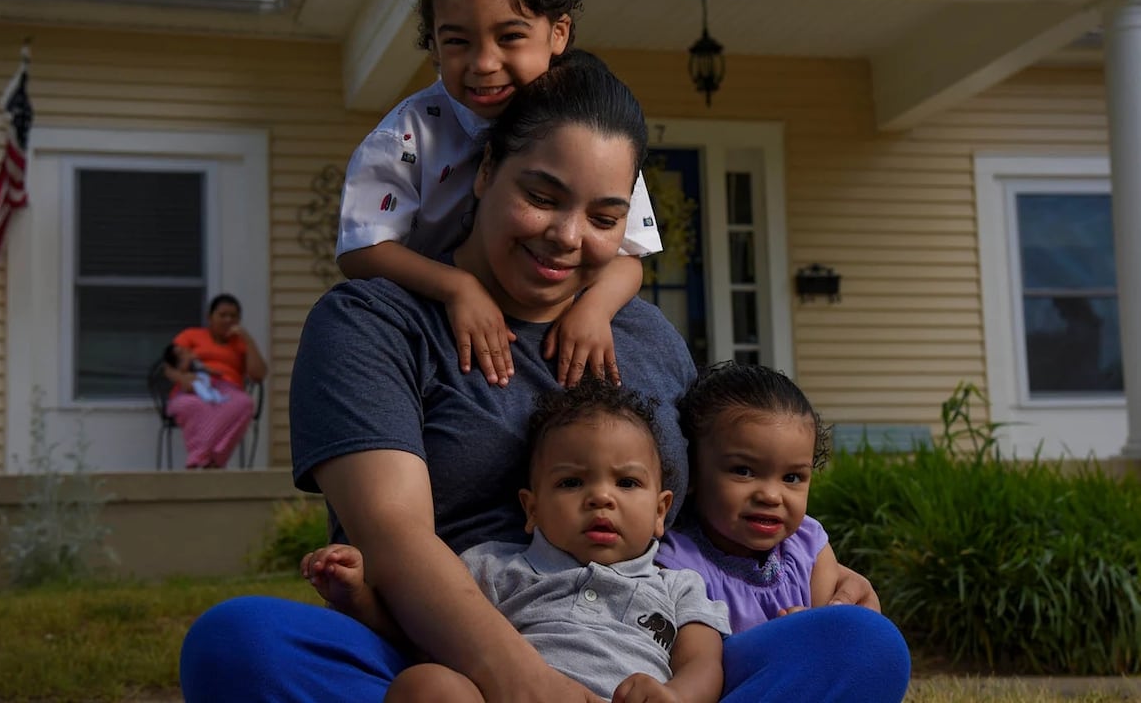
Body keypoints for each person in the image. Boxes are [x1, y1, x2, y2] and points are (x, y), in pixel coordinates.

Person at [179, 51, 910, 702]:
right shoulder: (374, 323)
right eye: (543, 196)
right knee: (241, 642)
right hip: (442, 664)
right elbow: (396, 541)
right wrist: (531, 686)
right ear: (487, 171)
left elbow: (691, 518)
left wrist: (821, 573)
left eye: (602, 216)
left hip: (641, 670)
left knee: (859, 646)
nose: (568, 237)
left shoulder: (648, 337)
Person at [335, 0, 662, 390]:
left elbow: (629, 254)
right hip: (435, 335)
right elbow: (362, 248)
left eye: (509, 37)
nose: (484, 64)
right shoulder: (409, 135)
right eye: (457, 42)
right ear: (433, 46)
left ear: (558, 33)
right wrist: (455, 287)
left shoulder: (591, 131)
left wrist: (594, 310)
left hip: (536, 335)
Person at [302, 377, 729, 703]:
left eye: (628, 482)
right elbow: (413, 631)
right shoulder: (493, 567)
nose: (601, 497)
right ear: (532, 509)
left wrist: (675, 697)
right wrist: (355, 596)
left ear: (661, 510)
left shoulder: (677, 585)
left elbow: (702, 662)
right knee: (426, 684)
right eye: (571, 481)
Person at [657, 362, 848, 634]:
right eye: (743, 471)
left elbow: (834, 639)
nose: (771, 496)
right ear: (692, 472)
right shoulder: (677, 566)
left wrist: (817, 635)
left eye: (792, 477)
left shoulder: (809, 548)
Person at [164, 293, 267, 469]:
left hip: (228, 391)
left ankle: (201, 457)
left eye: (233, 316)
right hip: (194, 388)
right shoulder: (191, 335)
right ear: (210, 317)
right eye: (222, 315)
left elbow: (258, 375)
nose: (228, 320)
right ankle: (212, 462)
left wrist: (248, 340)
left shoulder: (240, 343)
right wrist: (183, 378)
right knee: (189, 405)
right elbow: (167, 366)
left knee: (244, 404)